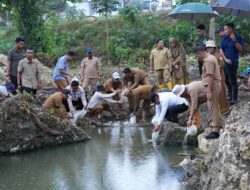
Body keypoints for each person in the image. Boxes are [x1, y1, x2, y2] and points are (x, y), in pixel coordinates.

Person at [193, 47, 223, 139]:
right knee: (215, 107)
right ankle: (219, 124)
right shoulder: (211, 57)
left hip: (212, 86)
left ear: (200, 53)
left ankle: (215, 131)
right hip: (214, 85)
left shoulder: (208, 60)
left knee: (213, 107)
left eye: (197, 55)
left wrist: (209, 91)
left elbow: (210, 77)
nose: (197, 57)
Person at [220, 23, 244, 105]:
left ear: (231, 29)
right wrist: (225, 59)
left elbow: (240, 49)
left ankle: (235, 98)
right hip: (225, 62)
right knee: (226, 80)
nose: (224, 31)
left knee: (233, 81)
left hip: (233, 63)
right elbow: (221, 49)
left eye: (225, 29)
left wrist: (234, 40)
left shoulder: (238, 38)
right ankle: (230, 94)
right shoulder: (224, 38)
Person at [205, 40, 229, 113]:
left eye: (210, 47)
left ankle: (223, 108)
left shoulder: (219, 55)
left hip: (219, 76)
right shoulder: (208, 55)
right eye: (208, 48)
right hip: (212, 77)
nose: (209, 49)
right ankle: (216, 108)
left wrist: (213, 69)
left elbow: (222, 65)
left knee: (221, 92)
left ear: (214, 48)